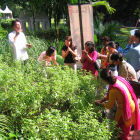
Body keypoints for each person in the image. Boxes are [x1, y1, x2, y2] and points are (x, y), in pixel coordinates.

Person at [95, 69, 140, 140]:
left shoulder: (114, 90)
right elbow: (108, 95)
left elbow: (110, 105)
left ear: (104, 80)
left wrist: (99, 104)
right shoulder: (118, 79)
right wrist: (101, 100)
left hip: (126, 109)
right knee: (118, 125)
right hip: (130, 104)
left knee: (123, 129)